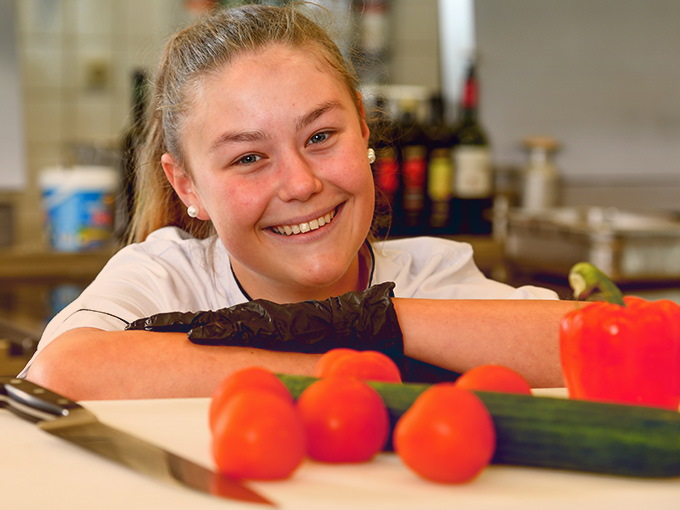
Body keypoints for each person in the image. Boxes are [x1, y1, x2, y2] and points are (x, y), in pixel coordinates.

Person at [20, 3, 575, 400]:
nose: (301, 183)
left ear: (362, 127)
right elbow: (62, 370)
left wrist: (372, 319)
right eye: (247, 158)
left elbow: (614, 348)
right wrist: (347, 369)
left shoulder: (431, 274)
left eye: (319, 137)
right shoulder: (164, 275)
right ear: (187, 186)